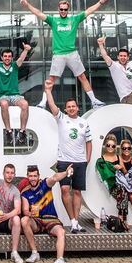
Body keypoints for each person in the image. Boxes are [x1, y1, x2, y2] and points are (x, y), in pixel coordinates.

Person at [20, 0, 107, 108]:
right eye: (61, 9)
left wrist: (100, 2)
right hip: (59, 55)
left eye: (65, 9)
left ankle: (94, 101)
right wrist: (27, 5)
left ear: (68, 10)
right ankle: (43, 102)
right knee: (51, 79)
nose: (63, 11)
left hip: (72, 54)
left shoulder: (74, 19)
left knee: (82, 77)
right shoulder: (54, 20)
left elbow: (89, 11)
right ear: (58, 9)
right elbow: (38, 13)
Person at [43, 80, 91, 234]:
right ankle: (72, 220)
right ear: (66, 109)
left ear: (78, 108)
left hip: (80, 162)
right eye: (68, 107)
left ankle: (76, 223)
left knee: (77, 192)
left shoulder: (84, 123)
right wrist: (48, 90)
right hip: (64, 162)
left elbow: (89, 141)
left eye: (73, 106)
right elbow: (52, 106)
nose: (71, 109)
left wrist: (87, 158)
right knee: (64, 189)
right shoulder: (61, 118)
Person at [20, 164, 72, 263]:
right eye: (30, 176)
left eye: (35, 176)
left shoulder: (45, 184)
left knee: (61, 232)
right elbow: (25, 210)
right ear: (27, 177)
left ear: (39, 176)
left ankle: (59, 260)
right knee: (24, 220)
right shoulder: (25, 193)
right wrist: (30, 214)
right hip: (37, 220)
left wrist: (66, 173)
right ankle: (35, 253)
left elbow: (55, 177)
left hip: (50, 218)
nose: (33, 178)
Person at [0, 43, 31, 145]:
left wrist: (26, 50)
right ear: (2, 57)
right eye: (5, 56)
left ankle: (22, 131)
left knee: (25, 104)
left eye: (9, 56)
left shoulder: (15, 66)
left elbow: (21, 59)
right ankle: (8, 131)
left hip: (15, 95)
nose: (7, 58)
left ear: (11, 58)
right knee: (4, 104)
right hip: (3, 96)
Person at [95, 134, 131, 229]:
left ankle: (121, 219)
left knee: (122, 190)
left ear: (115, 147)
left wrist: (121, 167)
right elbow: (105, 176)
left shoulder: (118, 158)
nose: (110, 147)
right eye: (108, 145)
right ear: (105, 146)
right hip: (111, 185)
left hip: (121, 184)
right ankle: (123, 220)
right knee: (122, 190)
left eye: (113, 146)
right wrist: (113, 170)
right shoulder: (101, 160)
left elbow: (125, 173)